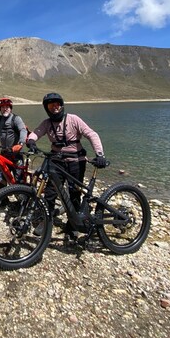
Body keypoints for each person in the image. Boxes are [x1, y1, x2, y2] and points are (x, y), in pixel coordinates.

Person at [26, 92, 107, 240]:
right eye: (51, 105)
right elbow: (36, 133)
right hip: (56, 160)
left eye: (57, 103)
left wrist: (100, 154)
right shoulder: (47, 123)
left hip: (76, 161)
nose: (55, 107)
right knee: (50, 192)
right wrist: (31, 140)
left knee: (74, 193)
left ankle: (73, 225)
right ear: (47, 108)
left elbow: (91, 134)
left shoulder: (73, 119)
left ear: (62, 105)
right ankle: (47, 221)